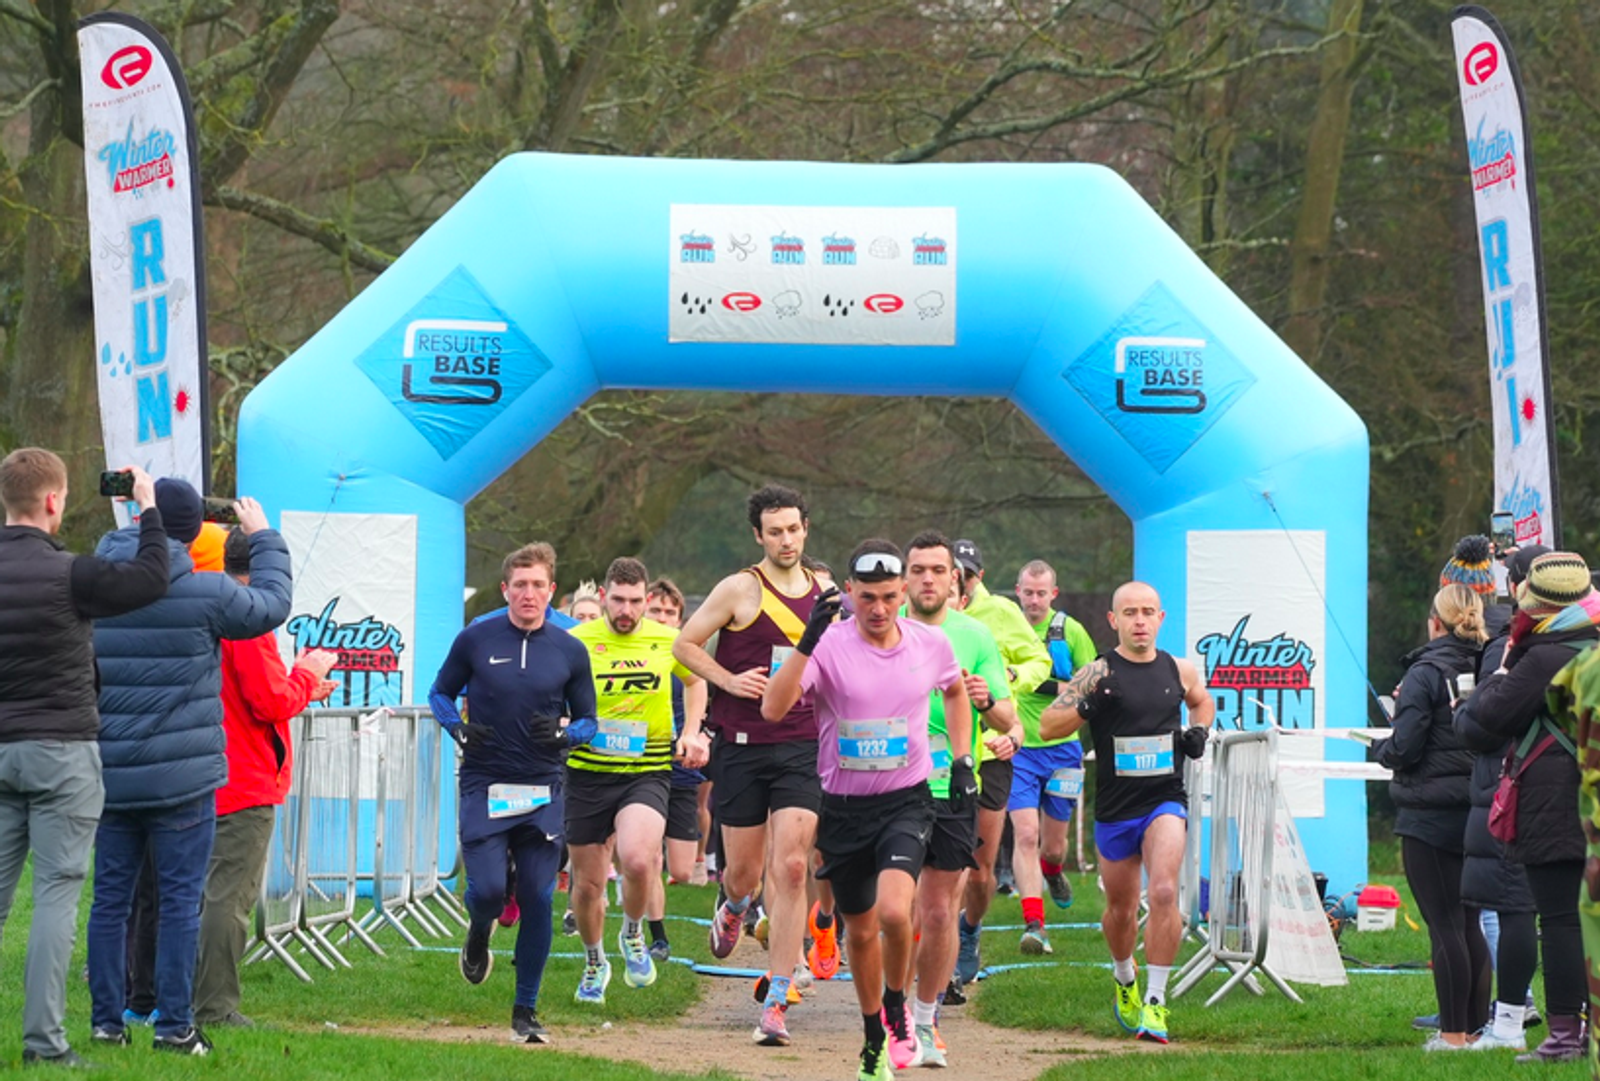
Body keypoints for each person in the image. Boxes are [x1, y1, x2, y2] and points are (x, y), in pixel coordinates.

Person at [87, 482, 293, 1056]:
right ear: (192, 532)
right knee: (181, 902)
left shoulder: (94, 587)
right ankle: (175, 1026)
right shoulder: (205, 592)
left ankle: (107, 1023)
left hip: (113, 771)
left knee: (111, 901)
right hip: (182, 779)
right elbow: (272, 603)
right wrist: (264, 537)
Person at [762, 539, 974, 1081]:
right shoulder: (829, 644)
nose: (877, 610)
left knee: (897, 912)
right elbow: (773, 707)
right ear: (849, 594)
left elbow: (954, 691)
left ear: (903, 592)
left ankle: (899, 1006)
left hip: (907, 800)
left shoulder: (930, 642)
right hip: (844, 807)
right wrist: (807, 640)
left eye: (887, 597)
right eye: (866, 599)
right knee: (858, 933)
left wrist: (963, 754)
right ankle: (873, 1035)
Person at [0, 452, 170, 1067]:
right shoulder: (71, 574)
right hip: (62, 753)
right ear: (54, 502)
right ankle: (44, 1044)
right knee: (55, 894)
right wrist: (146, 508)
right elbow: (153, 577)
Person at [672, 484, 829, 1045]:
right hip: (742, 745)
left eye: (794, 529)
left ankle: (778, 999)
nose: (786, 540)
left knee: (790, 867)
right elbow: (684, 645)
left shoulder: (828, 592)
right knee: (744, 873)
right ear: (758, 535)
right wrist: (728, 680)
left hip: (804, 745)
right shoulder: (740, 587)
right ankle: (734, 904)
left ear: (806, 528)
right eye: (775, 531)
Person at [429, 542, 599, 1044]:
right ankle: (479, 931)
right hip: (485, 782)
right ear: (505, 589)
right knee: (484, 891)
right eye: (519, 585)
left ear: (552, 591)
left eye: (538, 585)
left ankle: (525, 1010)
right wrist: (454, 728)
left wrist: (567, 735)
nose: (529, 594)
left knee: (539, 897)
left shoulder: (570, 649)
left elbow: (590, 718)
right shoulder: (475, 639)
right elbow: (440, 692)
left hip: (543, 785)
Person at [1039, 581, 1213, 1045]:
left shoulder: (1179, 668)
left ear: (1161, 618)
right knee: (1120, 908)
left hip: (1165, 798)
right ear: (1113, 620)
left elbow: (1202, 701)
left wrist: (1199, 732)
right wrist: (1087, 706)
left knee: (1161, 892)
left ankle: (1156, 1003)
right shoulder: (1096, 671)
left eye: (1148, 612)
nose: (1140, 621)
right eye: (1130, 613)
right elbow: (1048, 723)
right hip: (1116, 807)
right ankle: (1124, 974)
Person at [192, 528, 340, 1028]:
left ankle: (164, 997)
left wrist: (302, 687)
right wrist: (307, 671)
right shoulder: (248, 618)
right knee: (228, 899)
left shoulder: (202, 605)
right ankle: (214, 1007)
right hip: (243, 777)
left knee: (190, 894)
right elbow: (269, 700)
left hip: (201, 770)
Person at [1457, 551, 1600, 1063]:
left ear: (1531, 598)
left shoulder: (1540, 655)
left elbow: (1478, 724)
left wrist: (1497, 673)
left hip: (1555, 802)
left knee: (1560, 921)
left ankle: (1565, 1036)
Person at [899, 532, 1020, 1065]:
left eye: (938, 570)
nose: (928, 578)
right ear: (904, 578)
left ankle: (924, 1020)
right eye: (918, 569)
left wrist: (985, 699)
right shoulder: (881, 629)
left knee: (940, 911)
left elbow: (1007, 718)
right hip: (889, 786)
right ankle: (893, 1012)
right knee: (895, 909)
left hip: (953, 786)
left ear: (956, 580)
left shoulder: (974, 636)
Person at [569, 558, 708, 1004]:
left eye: (634, 601)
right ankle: (594, 962)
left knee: (639, 860)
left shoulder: (668, 640)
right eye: (617, 601)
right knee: (588, 886)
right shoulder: (577, 641)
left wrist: (690, 731)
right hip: (587, 773)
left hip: (645, 770)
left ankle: (632, 934)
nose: (626, 610)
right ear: (603, 597)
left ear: (647, 600)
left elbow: (697, 682)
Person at [1369, 582, 1487, 1050]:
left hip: (1429, 814)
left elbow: (1406, 745)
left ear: (1434, 622)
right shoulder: (1491, 663)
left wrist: (1382, 746)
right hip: (1477, 808)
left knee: (1444, 926)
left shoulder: (1424, 671)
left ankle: (1453, 1034)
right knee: (1469, 923)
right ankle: (1479, 1031)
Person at [1453, 540, 1549, 1050]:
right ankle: (1567, 1024)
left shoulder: (1515, 645)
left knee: (1511, 909)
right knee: (1558, 915)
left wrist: (1463, 711)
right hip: (1561, 794)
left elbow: (1487, 725)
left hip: (1514, 794)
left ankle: (1511, 1017)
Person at [949, 540, 1053, 962]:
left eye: (968, 576)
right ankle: (938, 949)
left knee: (980, 870)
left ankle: (970, 928)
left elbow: (1040, 662)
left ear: (980, 577)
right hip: (940, 755)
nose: (962, 583)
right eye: (954, 574)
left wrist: (1009, 675)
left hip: (993, 747)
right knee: (939, 863)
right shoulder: (919, 614)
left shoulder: (1001, 614)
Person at [1005, 559, 1096, 959]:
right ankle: (1034, 926)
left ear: (1053, 594)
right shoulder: (1006, 627)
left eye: (1042, 593)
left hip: (1064, 749)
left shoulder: (1069, 630)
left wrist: (1039, 683)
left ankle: (1054, 871)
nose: (1035, 600)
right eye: (1028, 592)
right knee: (1025, 834)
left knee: (1053, 848)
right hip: (1018, 747)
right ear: (1017, 591)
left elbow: (1092, 681)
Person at [642, 576, 701, 961]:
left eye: (670, 613)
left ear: (681, 621)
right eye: (656, 610)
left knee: (680, 867)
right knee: (647, 855)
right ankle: (656, 935)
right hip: (638, 763)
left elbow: (704, 694)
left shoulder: (685, 654)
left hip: (680, 764)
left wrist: (697, 734)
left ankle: (642, 879)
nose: (663, 618)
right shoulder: (631, 650)